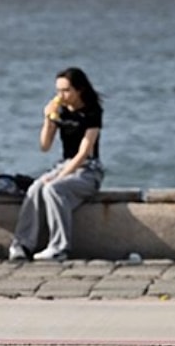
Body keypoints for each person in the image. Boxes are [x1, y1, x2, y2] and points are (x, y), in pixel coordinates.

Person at [9, 67, 104, 261]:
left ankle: (59, 247)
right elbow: (45, 146)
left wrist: (60, 177)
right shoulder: (60, 110)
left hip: (87, 169)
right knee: (36, 188)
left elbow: (84, 152)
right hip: (64, 164)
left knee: (53, 189)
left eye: (66, 90)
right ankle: (23, 244)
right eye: (58, 90)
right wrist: (48, 119)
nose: (61, 95)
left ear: (80, 90)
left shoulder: (92, 112)